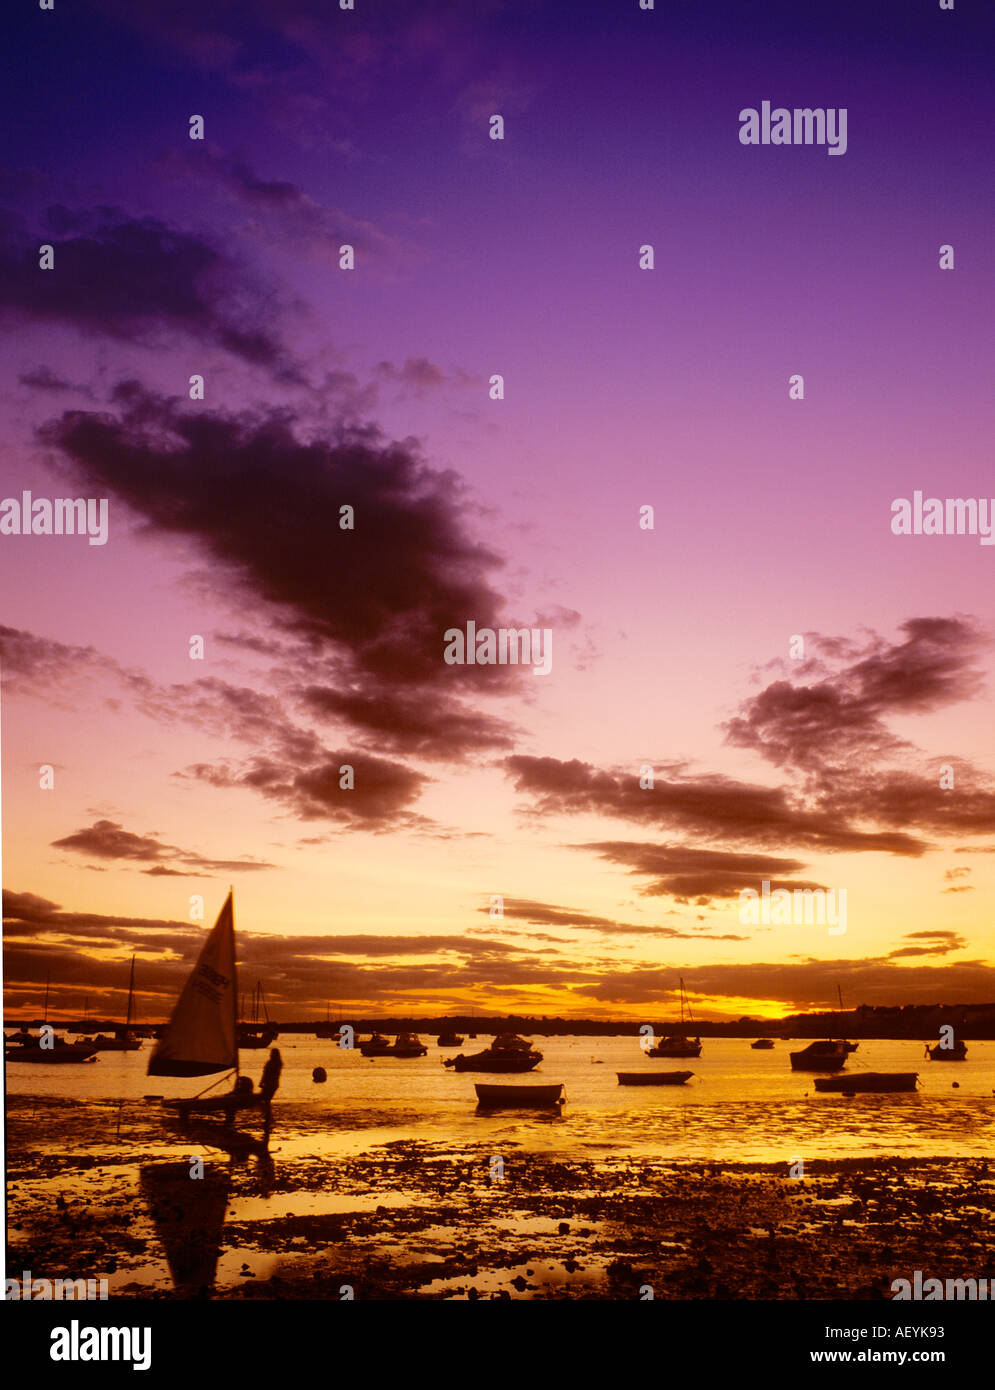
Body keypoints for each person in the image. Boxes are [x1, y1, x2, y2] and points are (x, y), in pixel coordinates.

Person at [259, 1047, 282, 1133]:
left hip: (270, 1084)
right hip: (274, 1084)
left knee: (266, 1101)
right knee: (266, 1101)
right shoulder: (278, 1063)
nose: (270, 1054)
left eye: (271, 1053)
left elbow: (266, 1074)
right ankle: (268, 1117)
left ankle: (267, 1118)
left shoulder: (271, 1063)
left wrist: (261, 1083)